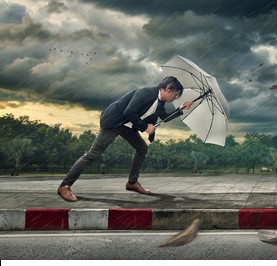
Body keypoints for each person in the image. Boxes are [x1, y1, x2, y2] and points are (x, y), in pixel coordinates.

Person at [57, 76, 193, 202]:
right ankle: (65, 186)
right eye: (176, 95)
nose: (175, 98)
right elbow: (129, 111)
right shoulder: (145, 92)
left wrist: (180, 109)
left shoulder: (160, 103)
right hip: (114, 122)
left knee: (142, 148)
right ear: (168, 90)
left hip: (128, 126)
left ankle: (132, 183)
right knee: (93, 154)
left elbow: (165, 118)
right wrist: (145, 127)